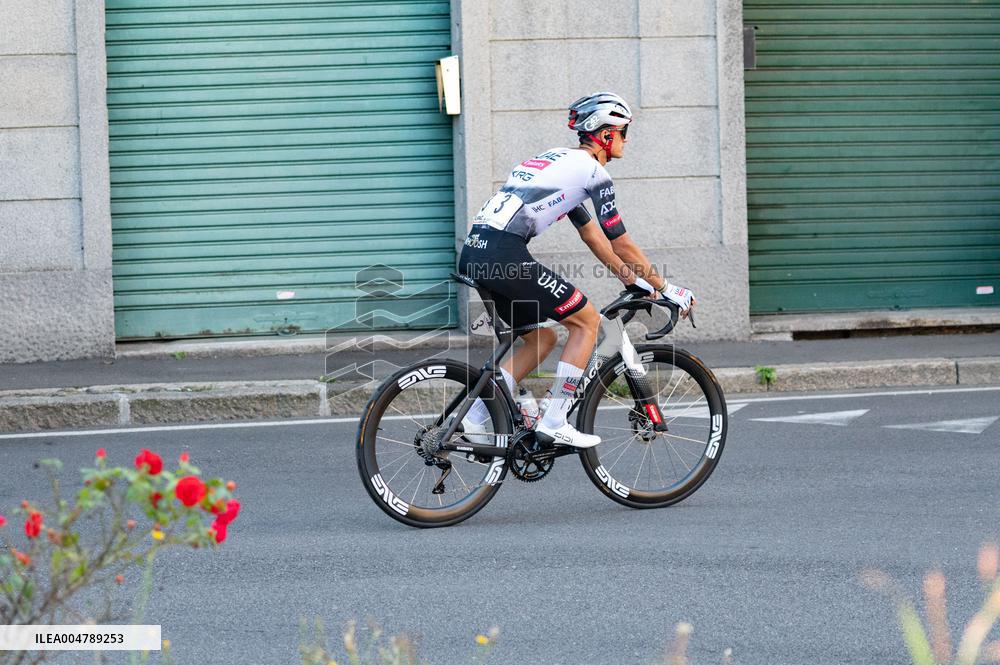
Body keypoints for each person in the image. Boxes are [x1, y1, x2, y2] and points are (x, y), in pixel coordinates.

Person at [458, 92, 695, 448]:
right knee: (585, 322)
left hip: (476, 252)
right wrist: (668, 288)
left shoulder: (557, 161)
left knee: (542, 340)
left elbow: (592, 236)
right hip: (503, 256)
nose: (626, 140)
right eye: (623, 132)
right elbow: (620, 242)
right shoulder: (593, 171)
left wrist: (637, 282)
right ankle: (554, 422)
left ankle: (476, 416)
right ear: (606, 134)